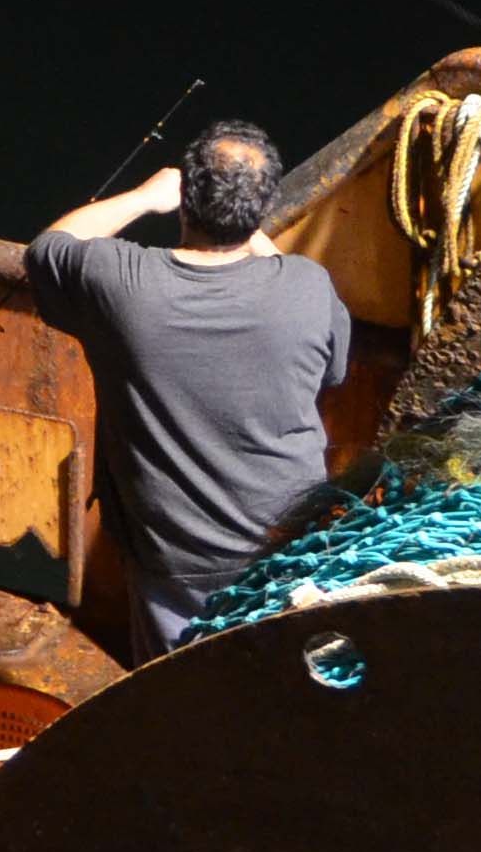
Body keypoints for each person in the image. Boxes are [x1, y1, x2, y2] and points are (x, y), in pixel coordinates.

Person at [24, 119, 351, 660]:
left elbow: (48, 247)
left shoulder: (123, 283)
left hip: (172, 554)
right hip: (290, 537)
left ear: (184, 202)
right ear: (260, 209)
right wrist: (250, 231)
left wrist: (142, 196)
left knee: (177, 693)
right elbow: (333, 373)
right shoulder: (307, 286)